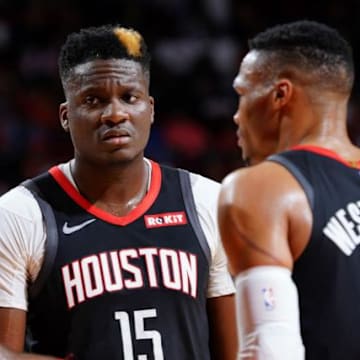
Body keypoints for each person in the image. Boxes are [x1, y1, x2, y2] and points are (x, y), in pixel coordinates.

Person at [0, 24, 237, 360]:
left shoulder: (206, 200)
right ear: (66, 116)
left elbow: (235, 352)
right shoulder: (20, 213)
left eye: (129, 97)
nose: (115, 114)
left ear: (150, 109)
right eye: (94, 100)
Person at [217, 19, 359, 359]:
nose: (236, 116)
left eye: (241, 94)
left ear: (280, 95)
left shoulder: (262, 188)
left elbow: (270, 348)